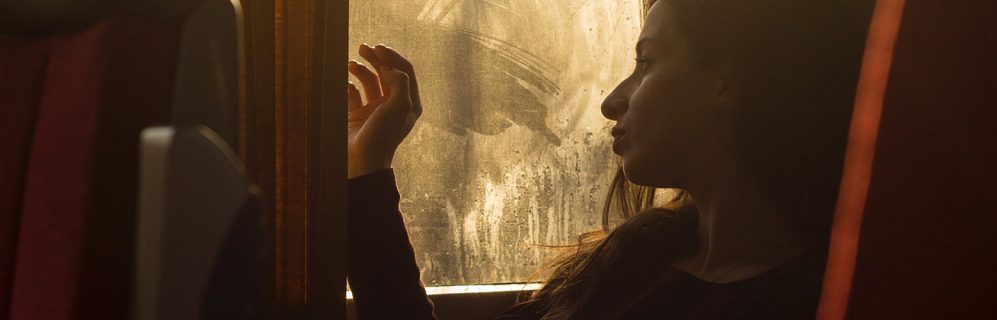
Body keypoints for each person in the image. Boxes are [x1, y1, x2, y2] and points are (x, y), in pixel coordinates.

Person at [346, 0, 873, 319]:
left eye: (647, 62)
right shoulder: (632, 261)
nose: (611, 102)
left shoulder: (803, 304)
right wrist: (367, 165)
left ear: (728, 83)